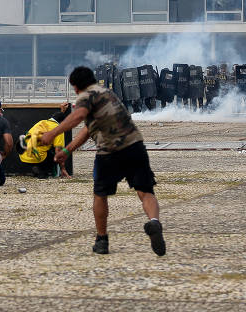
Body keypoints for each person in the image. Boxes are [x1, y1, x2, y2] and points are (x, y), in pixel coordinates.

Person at [40, 66, 166, 257]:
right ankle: (154, 221)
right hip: (135, 146)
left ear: (75, 87)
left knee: (100, 195)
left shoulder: (86, 96)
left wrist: (53, 133)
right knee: (145, 191)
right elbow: (88, 130)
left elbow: (79, 117)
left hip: (109, 152)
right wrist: (67, 150)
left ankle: (102, 240)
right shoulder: (108, 94)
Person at [18, 103, 72, 179]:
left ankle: (36, 168)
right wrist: (63, 169)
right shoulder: (58, 129)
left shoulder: (41, 122)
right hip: (37, 157)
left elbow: (57, 118)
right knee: (54, 154)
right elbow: (59, 152)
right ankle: (42, 172)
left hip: (23, 156)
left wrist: (62, 111)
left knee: (40, 148)